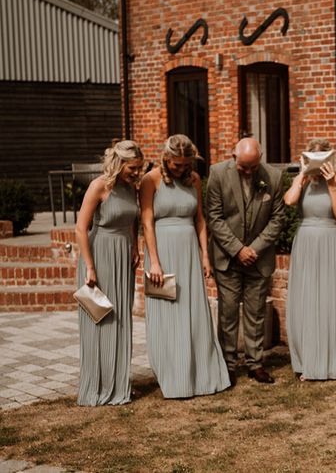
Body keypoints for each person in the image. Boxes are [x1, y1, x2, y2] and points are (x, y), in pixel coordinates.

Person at [140, 134, 230, 398]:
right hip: (163, 252)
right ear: (165, 158)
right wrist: (154, 262)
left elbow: (200, 220)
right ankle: (173, 375)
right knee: (168, 311)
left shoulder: (194, 180)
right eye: (176, 164)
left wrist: (204, 256)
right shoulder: (150, 180)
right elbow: (146, 223)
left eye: (185, 164)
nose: (180, 169)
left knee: (193, 310)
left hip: (189, 252)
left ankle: (201, 374)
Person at [206, 137, 285, 384]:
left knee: (256, 312)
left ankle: (256, 364)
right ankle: (228, 364)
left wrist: (256, 248)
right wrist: (238, 249)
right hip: (228, 258)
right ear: (233, 156)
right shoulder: (217, 174)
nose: (249, 172)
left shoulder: (274, 177)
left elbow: (278, 218)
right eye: (244, 167)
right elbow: (214, 217)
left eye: (253, 167)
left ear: (259, 158)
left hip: (259, 259)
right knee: (228, 312)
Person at [75, 140, 144, 406]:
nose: (137, 173)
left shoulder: (131, 188)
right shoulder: (99, 186)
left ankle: (118, 384)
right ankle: (97, 386)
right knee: (100, 320)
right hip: (99, 255)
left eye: (139, 168)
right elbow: (81, 228)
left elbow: (134, 218)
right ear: (120, 163)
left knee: (120, 319)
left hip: (122, 256)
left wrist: (135, 245)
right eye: (133, 168)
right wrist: (90, 266)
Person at [284, 139, 336, 381]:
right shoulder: (303, 180)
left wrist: (332, 185)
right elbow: (289, 201)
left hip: (330, 240)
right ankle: (305, 360)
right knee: (305, 299)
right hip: (305, 242)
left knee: (328, 299)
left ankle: (329, 362)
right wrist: (301, 176)